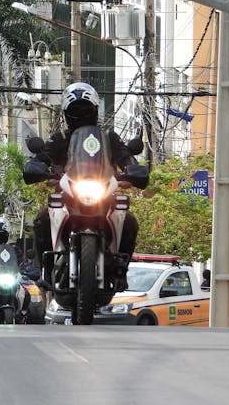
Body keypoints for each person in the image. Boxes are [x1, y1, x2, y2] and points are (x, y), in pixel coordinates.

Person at [23, 82, 147, 288]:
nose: (81, 114)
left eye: (85, 109)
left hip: (104, 194)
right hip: (68, 196)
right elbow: (44, 156)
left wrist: (133, 169)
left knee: (130, 221)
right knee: (42, 218)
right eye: (75, 110)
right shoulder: (61, 139)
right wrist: (37, 166)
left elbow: (126, 158)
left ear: (95, 110)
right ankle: (45, 270)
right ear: (66, 113)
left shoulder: (108, 138)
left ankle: (121, 271)